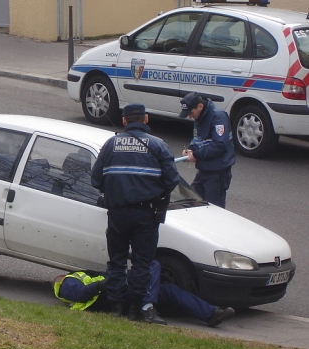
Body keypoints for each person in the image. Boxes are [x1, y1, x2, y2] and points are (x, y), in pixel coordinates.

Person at [91, 103, 180, 322]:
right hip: (146, 215)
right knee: (142, 263)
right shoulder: (158, 145)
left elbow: (95, 179)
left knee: (117, 261)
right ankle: (134, 308)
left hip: (118, 213)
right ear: (146, 119)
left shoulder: (111, 144)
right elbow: (172, 180)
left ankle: (116, 306)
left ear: (124, 121)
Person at [52, 261, 236, 328]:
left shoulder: (83, 274)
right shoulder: (65, 283)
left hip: (120, 291)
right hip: (113, 298)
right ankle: (148, 306)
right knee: (152, 265)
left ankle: (211, 314)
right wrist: (104, 283)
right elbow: (81, 294)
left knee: (169, 289)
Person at [178, 92, 236, 209]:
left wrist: (196, 155)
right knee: (193, 202)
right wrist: (190, 150)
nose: (190, 116)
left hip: (217, 171)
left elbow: (219, 145)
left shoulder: (218, 117)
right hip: (204, 169)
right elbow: (197, 139)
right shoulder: (200, 116)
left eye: (191, 112)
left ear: (200, 106)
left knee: (214, 209)